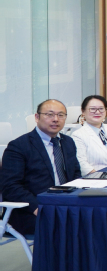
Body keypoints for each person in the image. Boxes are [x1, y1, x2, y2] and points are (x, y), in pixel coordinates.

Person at [0, 99, 81, 235]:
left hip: (65, 204)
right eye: (49, 114)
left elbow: (75, 174)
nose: (56, 119)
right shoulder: (18, 146)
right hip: (31, 210)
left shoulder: (68, 142)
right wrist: (37, 207)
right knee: (70, 224)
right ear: (37, 117)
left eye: (61, 115)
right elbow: (10, 186)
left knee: (95, 217)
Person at [70, 95, 107, 175]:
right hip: (94, 179)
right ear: (83, 111)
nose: (97, 112)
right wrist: (102, 177)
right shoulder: (78, 135)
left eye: (101, 109)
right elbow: (82, 164)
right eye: (92, 109)